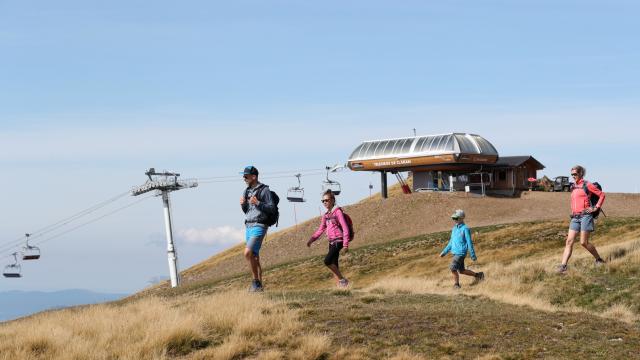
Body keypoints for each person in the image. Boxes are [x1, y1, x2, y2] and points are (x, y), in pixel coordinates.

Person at [557, 165, 606, 274]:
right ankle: (563, 266)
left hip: (585, 216)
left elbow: (602, 195)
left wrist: (595, 207)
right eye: (572, 174)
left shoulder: (587, 184)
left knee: (583, 242)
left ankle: (598, 259)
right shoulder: (573, 187)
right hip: (575, 217)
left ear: (581, 173)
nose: (573, 176)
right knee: (569, 241)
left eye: (575, 174)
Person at [240, 165, 276, 292]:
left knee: (247, 253)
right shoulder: (246, 191)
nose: (244, 178)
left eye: (246, 176)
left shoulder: (264, 190)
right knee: (254, 257)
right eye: (243, 176)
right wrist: (243, 205)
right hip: (249, 225)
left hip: (260, 225)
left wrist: (258, 203)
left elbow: (271, 208)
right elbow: (247, 211)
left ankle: (255, 282)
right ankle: (259, 287)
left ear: (254, 177)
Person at [307, 190, 351, 288]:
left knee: (327, 261)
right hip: (331, 242)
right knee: (334, 264)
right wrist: (312, 239)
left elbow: (345, 227)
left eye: (326, 200)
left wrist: (345, 244)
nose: (324, 203)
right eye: (323, 201)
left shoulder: (338, 212)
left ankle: (343, 280)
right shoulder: (326, 215)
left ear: (332, 200)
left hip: (338, 240)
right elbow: (321, 229)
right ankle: (340, 287)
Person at [439, 209, 484, 289]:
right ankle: (479, 275)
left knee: (452, 268)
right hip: (455, 252)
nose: (454, 220)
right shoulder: (454, 229)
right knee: (461, 271)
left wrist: (472, 255)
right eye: (454, 218)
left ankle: (456, 285)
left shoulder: (465, 229)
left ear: (461, 218)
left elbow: (469, 242)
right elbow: (451, 242)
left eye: (456, 218)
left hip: (461, 253)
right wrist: (444, 252)